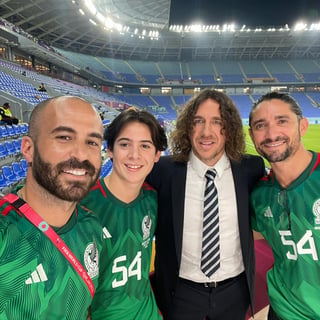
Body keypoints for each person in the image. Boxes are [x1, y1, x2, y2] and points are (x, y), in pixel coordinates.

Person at [146, 88, 265, 320]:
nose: (206, 132)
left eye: (216, 121)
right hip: (180, 292)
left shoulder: (250, 169)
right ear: (187, 128)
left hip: (235, 290)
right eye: (198, 121)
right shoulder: (163, 171)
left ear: (229, 129)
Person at [0, 96, 105, 319]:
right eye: (64, 137)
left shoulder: (92, 226)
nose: (81, 154)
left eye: (92, 142)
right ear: (28, 148)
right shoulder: (4, 234)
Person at [80, 108, 168, 319]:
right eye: (124, 144)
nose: (134, 155)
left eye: (145, 146)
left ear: (157, 155)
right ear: (110, 150)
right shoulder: (82, 204)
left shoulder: (154, 200)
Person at [248, 92, 320, 320]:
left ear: (303, 125)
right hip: (282, 312)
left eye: (282, 121)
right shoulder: (259, 194)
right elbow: (255, 233)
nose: (271, 134)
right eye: (261, 125)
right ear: (252, 135)